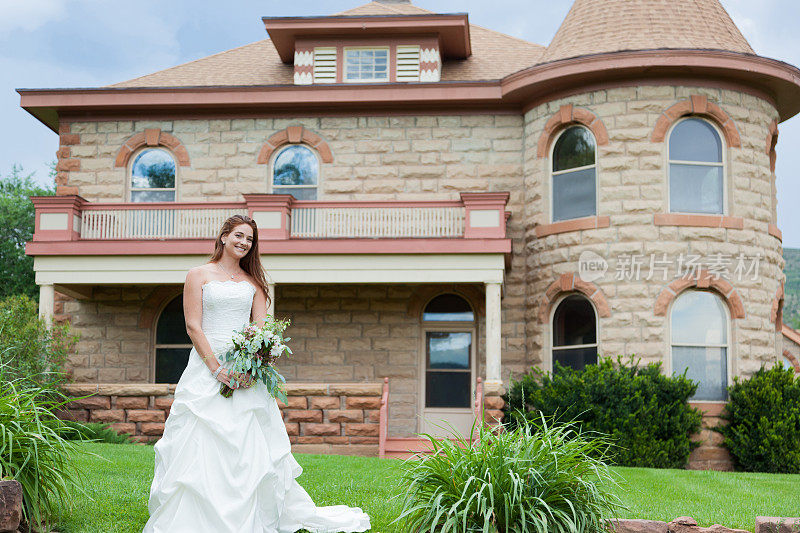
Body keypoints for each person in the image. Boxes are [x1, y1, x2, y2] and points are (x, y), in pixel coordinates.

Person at [143, 214, 371, 533]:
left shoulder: (254, 283)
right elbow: (193, 325)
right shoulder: (198, 274)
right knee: (200, 438)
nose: (243, 243)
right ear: (223, 237)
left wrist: (256, 363)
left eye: (249, 239)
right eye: (238, 235)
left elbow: (262, 329)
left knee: (246, 442)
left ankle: (249, 515)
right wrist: (217, 369)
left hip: (245, 371)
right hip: (207, 366)